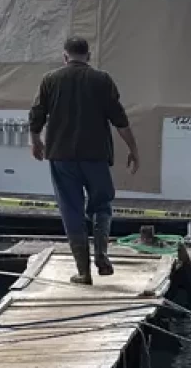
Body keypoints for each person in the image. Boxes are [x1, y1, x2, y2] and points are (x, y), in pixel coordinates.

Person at [29, 37, 140, 285]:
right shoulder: (102, 80)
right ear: (88, 56)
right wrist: (133, 149)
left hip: (61, 156)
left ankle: (83, 272)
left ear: (65, 57)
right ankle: (101, 255)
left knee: (71, 210)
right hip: (96, 156)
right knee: (101, 205)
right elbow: (119, 119)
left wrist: (35, 141)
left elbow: (37, 114)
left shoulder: (50, 80)